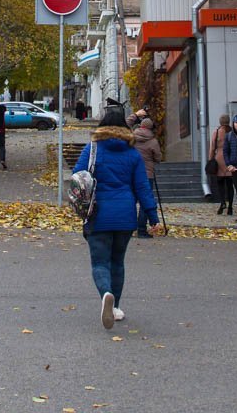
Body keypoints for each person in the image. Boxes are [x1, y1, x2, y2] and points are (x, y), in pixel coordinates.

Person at [72, 106, 160, 329]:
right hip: (125, 215)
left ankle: (106, 295)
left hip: (98, 213)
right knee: (117, 262)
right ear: (124, 127)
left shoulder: (92, 149)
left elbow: (78, 176)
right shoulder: (132, 154)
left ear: (101, 126)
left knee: (100, 262)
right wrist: (152, 216)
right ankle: (116, 307)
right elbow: (142, 187)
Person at [131, 117, 162, 238]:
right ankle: (142, 230)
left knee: (131, 201)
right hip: (147, 174)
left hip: (132, 174)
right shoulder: (153, 141)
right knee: (145, 202)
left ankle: (129, 228)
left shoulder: (132, 138)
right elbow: (158, 157)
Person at [207, 114, 234, 215]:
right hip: (230, 159)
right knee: (230, 185)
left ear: (220, 122)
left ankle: (222, 202)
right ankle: (230, 206)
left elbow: (212, 147)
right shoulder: (232, 132)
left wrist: (210, 159)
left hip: (219, 159)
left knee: (220, 183)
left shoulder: (217, 132)